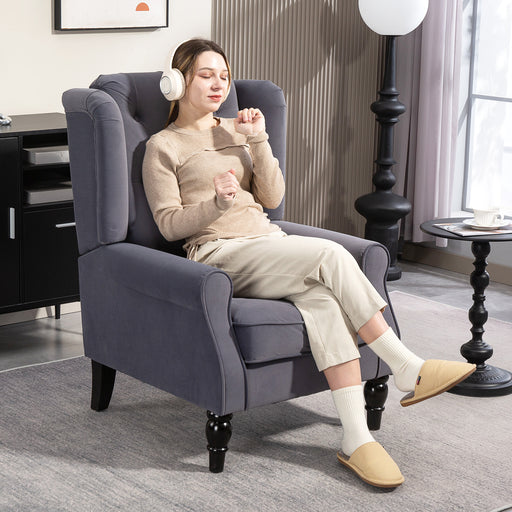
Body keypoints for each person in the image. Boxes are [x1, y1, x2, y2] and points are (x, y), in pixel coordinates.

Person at [142, 38, 476, 488]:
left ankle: (356, 439)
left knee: (324, 302)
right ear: (179, 81)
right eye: (206, 75)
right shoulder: (163, 146)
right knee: (331, 253)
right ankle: (405, 365)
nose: (219, 84)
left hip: (269, 243)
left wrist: (258, 140)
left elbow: (273, 198)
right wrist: (216, 205)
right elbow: (168, 225)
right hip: (218, 253)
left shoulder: (239, 129)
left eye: (224, 75)